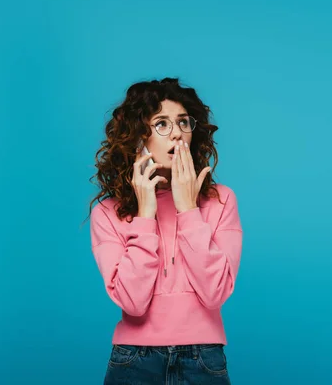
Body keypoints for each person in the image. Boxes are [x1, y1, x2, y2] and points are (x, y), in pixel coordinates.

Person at [87, 78, 242, 384]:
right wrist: (145, 215)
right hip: (133, 358)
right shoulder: (108, 213)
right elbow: (133, 302)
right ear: (137, 138)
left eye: (183, 122)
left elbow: (215, 294)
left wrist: (188, 210)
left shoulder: (221, 201)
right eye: (161, 124)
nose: (176, 133)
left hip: (204, 358)